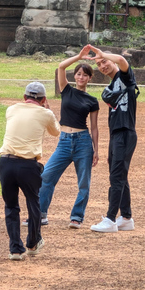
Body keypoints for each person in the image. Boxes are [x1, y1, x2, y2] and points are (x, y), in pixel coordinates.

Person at [36, 47, 100, 229]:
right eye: (78, 74)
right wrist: (79, 57)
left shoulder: (92, 101)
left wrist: (97, 149)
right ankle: (41, 214)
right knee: (46, 176)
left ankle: (77, 217)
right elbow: (61, 67)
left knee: (84, 183)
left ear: (89, 78)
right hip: (64, 141)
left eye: (85, 75)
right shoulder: (66, 90)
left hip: (83, 142)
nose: (81, 77)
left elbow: (94, 127)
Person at [0, 81, 60, 261]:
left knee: (11, 206)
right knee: (33, 202)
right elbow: (56, 132)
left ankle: (15, 249)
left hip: (5, 163)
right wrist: (48, 110)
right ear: (43, 99)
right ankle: (32, 242)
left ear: (24, 97)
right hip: (27, 165)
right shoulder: (45, 113)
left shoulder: (11, 109)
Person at [88, 45, 139, 233]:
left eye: (104, 62)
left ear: (111, 60)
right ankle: (126, 218)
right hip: (116, 133)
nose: (102, 65)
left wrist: (103, 54)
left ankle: (110, 219)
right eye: (99, 64)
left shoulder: (124, 77)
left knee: (116, 176)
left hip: (125, 132)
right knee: (119, 174)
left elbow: (123, 61)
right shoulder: (110, 86)